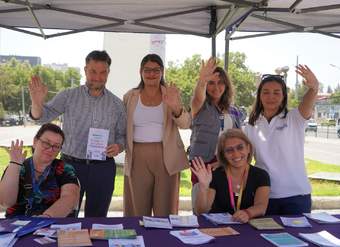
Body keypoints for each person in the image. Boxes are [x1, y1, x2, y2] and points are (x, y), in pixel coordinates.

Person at [28, 50, 126, 217]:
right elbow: (41, 117)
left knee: (97, 219)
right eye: (93, 71)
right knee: (65, 217)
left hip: (102, 169)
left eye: (103, 72)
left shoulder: (117, 104)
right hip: (70, 167)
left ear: (108, 72)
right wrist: (36, 103)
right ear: (85, 70)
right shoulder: (68, 96)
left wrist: (118, 146)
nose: (97, 77)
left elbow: (122, 135)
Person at [244, 65, 319, 215]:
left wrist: (314, 88)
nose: (271, 96)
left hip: (297, 196)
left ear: (284, 96)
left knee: (297, 239)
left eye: (276, 92)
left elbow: (307, 104)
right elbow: (244, 159)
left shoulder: (295, 118)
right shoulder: (250, 125)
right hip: (264, 196)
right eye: (266, 92)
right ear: (259, 96)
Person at [123, 54, 191, 217]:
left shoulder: (170, 94)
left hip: (166, 156)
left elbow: (186, 123)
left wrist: (176, 107)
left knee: (165, 210)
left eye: (156, 70)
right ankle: (138, 241)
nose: (151, 74)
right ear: (140, 71)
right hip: (137, 156)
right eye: (147, 70)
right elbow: (121, 126)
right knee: (137, 209)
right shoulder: (130, 96)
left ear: (162, 72)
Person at [189, 58, 243, 208]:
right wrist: (201, 81)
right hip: (203, 165)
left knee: (224, 210)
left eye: (220, 83)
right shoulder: (199, 106)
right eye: (211, 83)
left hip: (228, 164)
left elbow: (241, 141)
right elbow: (198, 96)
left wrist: (223, 161)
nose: (216, 87)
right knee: (202, 209)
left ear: (226, 85)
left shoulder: (234, 111)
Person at [0, 123, 80, 218]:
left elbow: (69, 198)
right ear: (35, 142)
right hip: (17, 226)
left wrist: (46, 217)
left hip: (51, 223)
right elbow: (5, 203)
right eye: (46, 143)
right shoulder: (18, 167)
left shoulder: (65, 169)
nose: (50, 149)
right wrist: (14, 164)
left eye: (56, 146)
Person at [191, 129, 270, 223]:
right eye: (229, 150)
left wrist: (248, 213)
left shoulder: (261, 175)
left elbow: (261, 207)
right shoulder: (215, 175)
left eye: (240, 147)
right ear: (223, 155)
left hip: (248, 229)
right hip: (219, 229)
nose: (236, 154)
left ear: (248, 148)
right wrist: (203, 186)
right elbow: (201, 211)